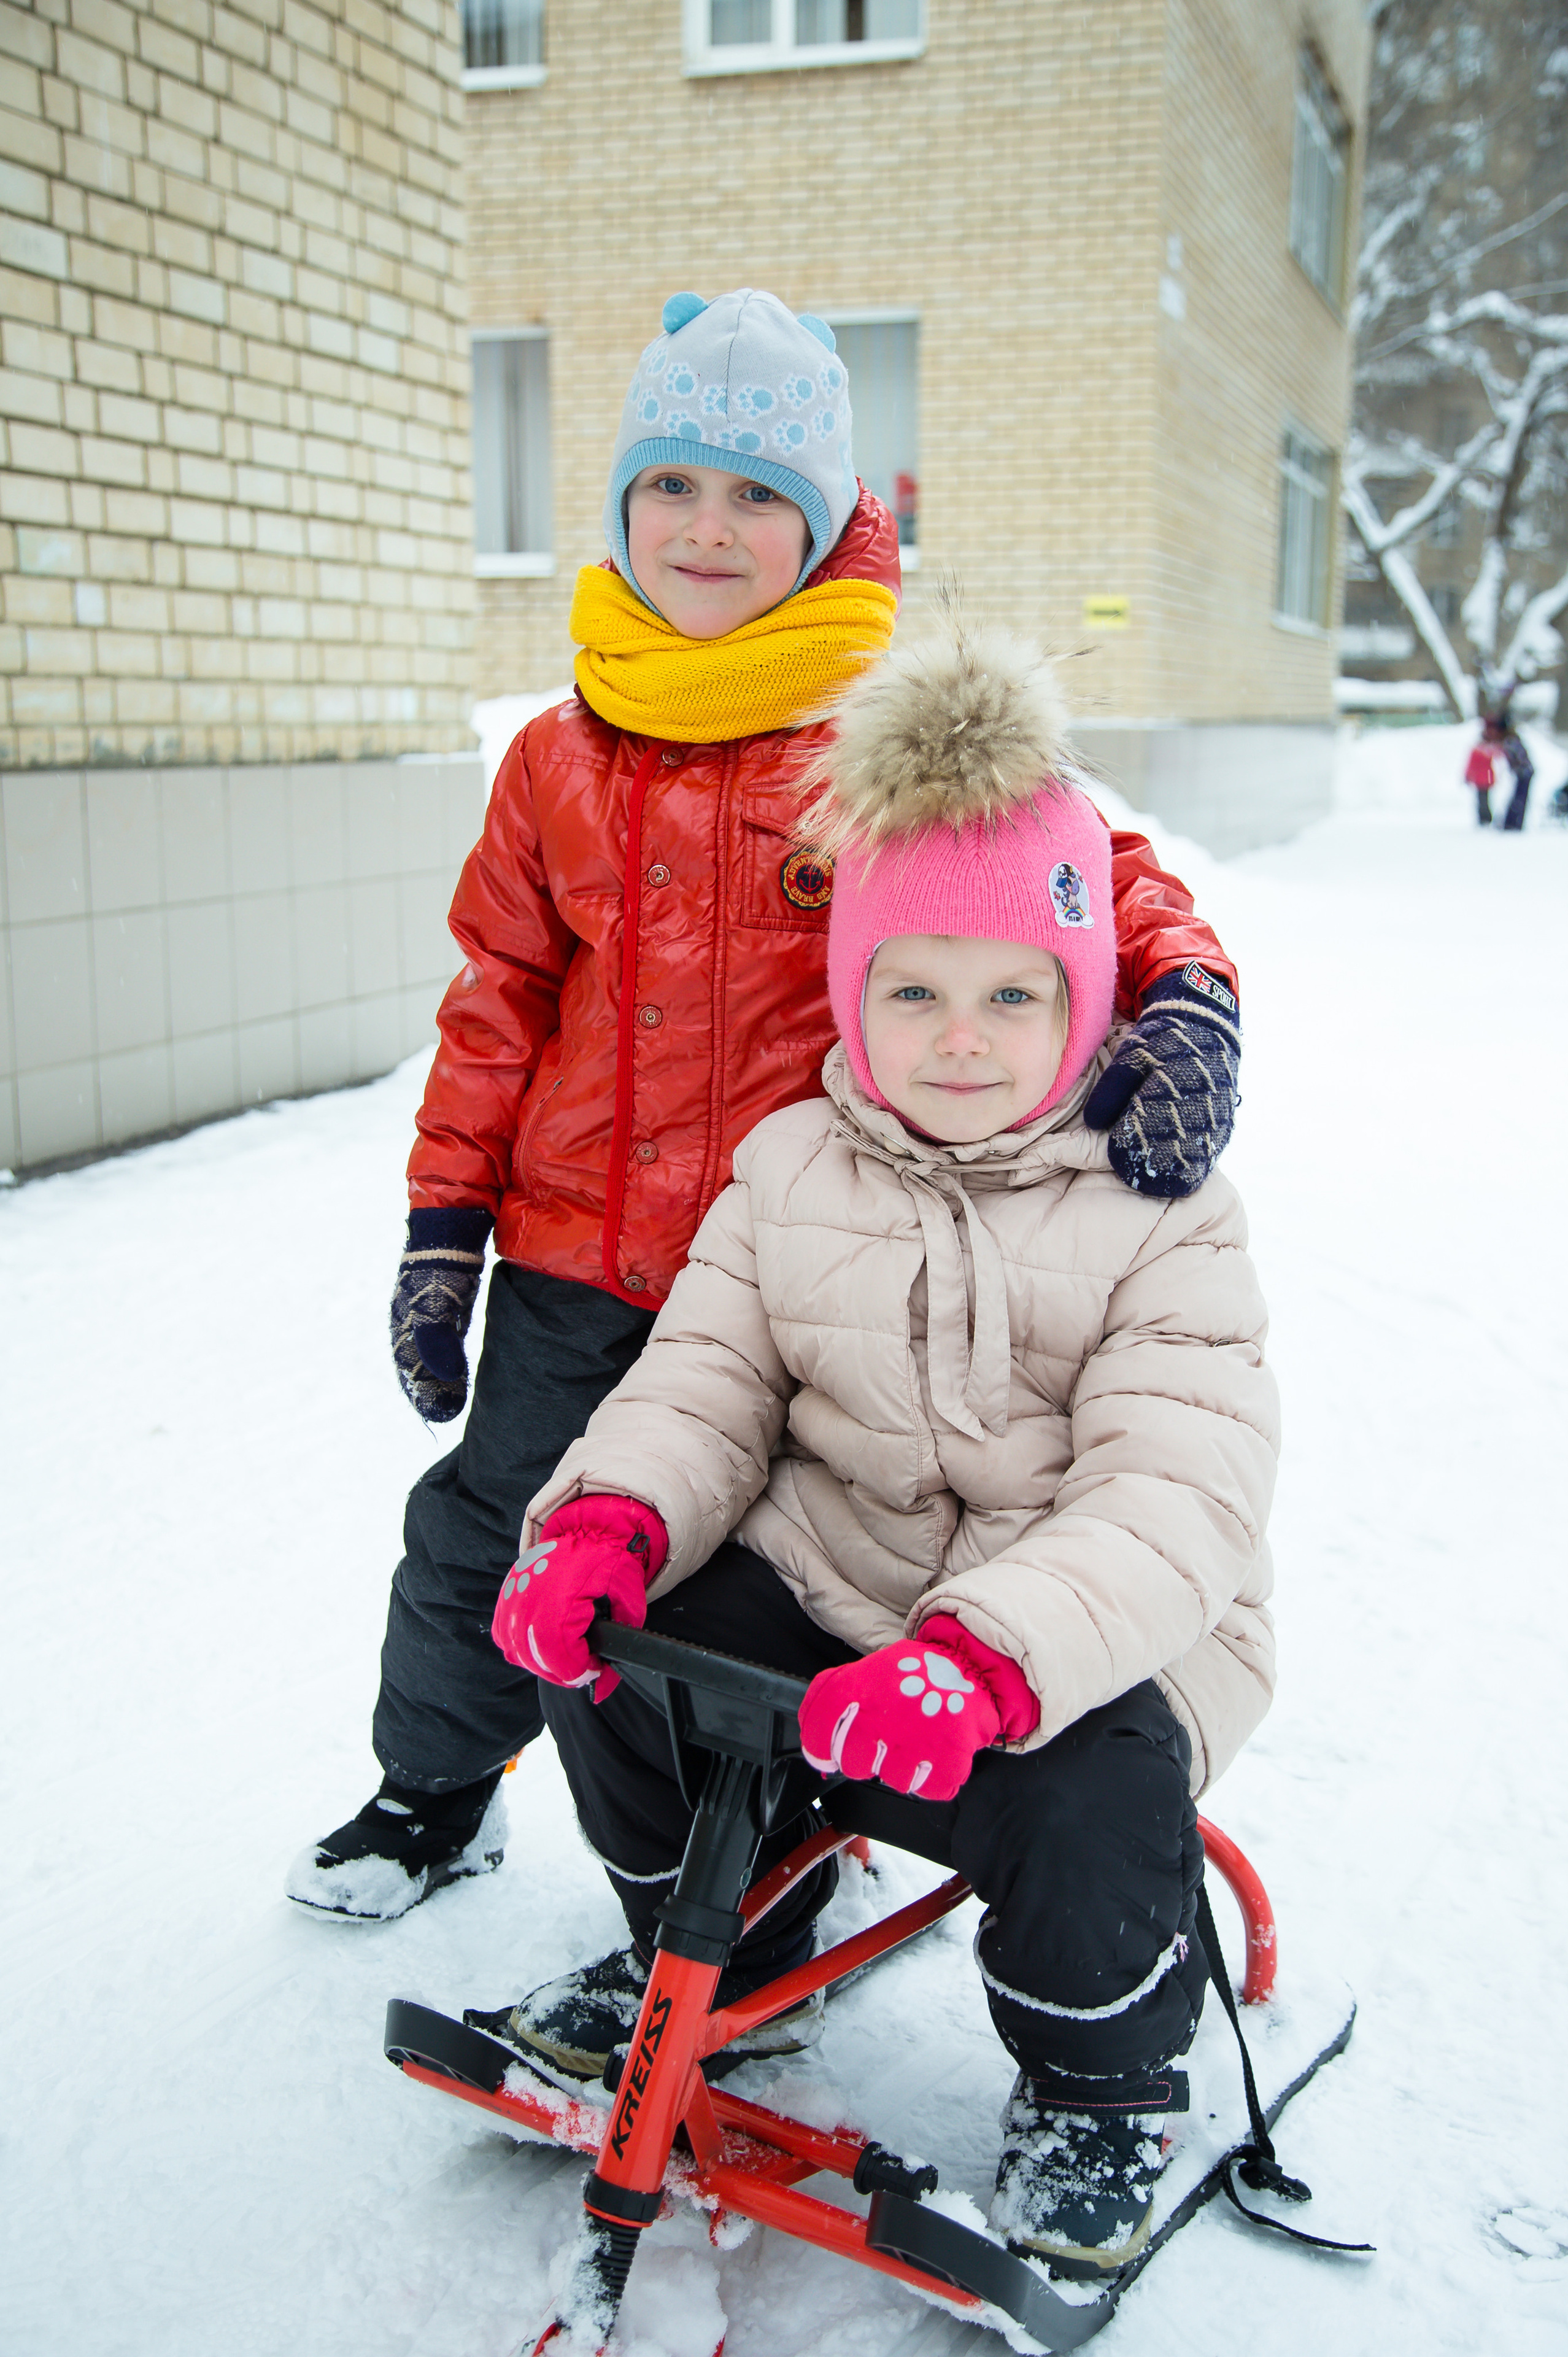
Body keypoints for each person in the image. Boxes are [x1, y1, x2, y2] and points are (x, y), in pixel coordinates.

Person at [287, 290, 1248, 1925]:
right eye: (674, 486)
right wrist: (445, 1226)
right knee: (498, 1529)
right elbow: (497, 1003)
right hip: (582, 1253)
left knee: (778, 1575)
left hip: (806, 1257)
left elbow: (1100, 872)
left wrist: (1190, 997)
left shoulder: (876, 731)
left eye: (757, 496)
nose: (710, 529)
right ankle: (434, 1789)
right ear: (622, 506)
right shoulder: (554, 756)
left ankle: (789, 1838)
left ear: (821, 525)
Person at [480, 608, 1276, 2274]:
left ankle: (1103, 2084)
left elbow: (1175, 1493)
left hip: (1076, 1635)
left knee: (1092, 1795)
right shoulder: (790, 1170)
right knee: (612, 1644)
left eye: (1011, 993)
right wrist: (610, 1520)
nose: (960, 1037)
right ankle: (725, 1934)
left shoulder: (1160, 1209)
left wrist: (985, 1660)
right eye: (912, 990)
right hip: (833, 1584)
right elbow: (702, 1383)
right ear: (853, 993)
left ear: (1085, 999)